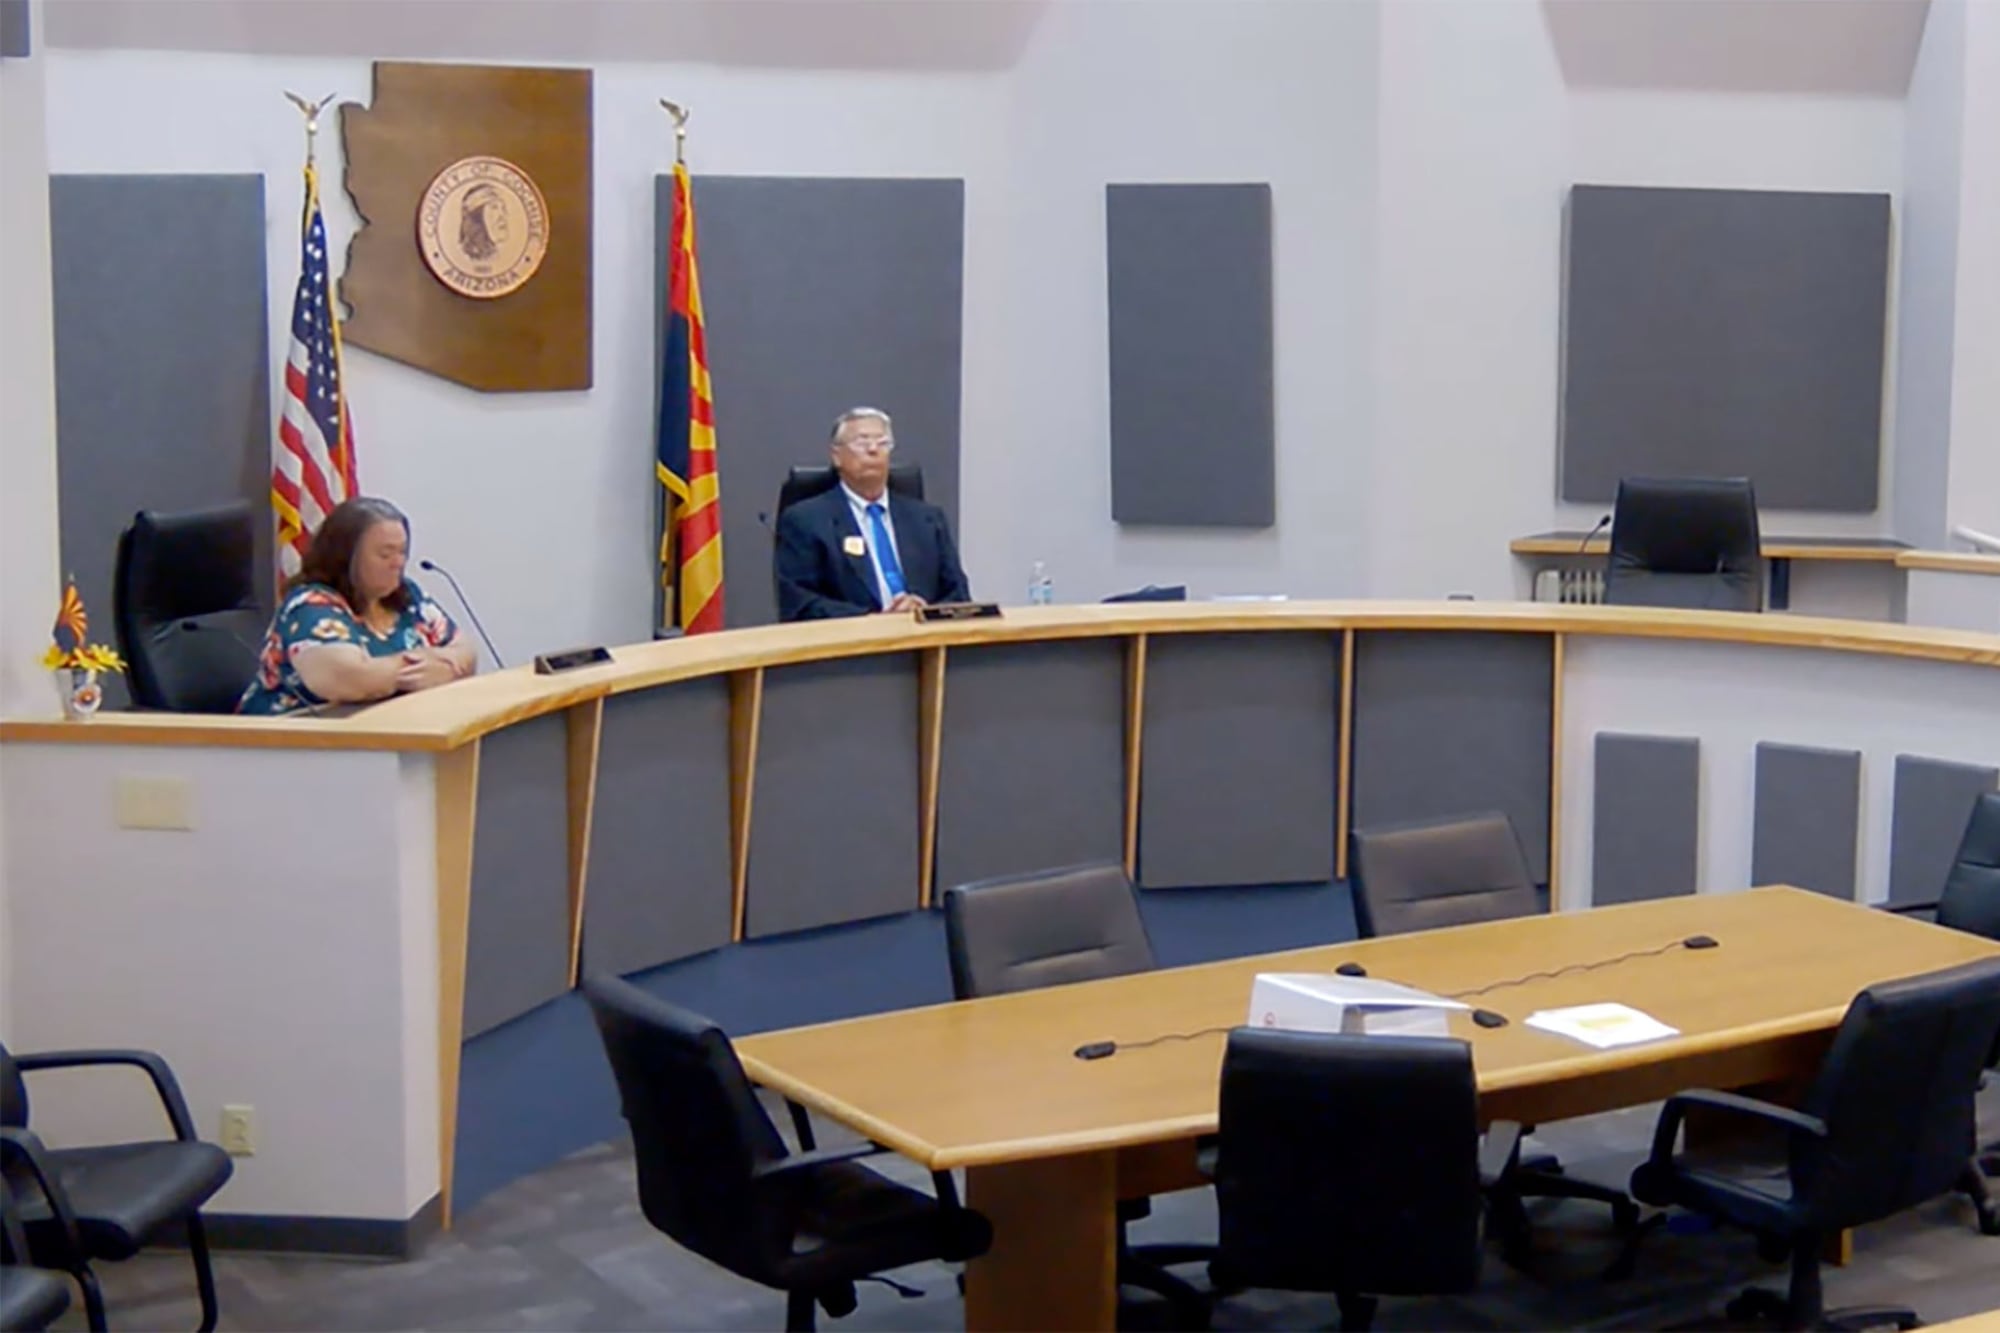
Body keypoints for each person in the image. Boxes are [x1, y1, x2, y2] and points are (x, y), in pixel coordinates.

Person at [238, 497, 477, 715]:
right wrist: (431, 664)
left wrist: (445, 668)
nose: (398, 563)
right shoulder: (311, 605)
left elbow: (465, 650)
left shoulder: (407, 595)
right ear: (346, 557)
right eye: (385, 554)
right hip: (282, 744)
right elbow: (349, 680)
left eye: (402, 552)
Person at [774, 406, 971, 620]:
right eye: (862, 442)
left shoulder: (927, 519)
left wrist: (924, 610)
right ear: (836, 456)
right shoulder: (806, 521)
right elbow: (799, 604)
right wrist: (874, 619)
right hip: (853, 644)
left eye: (883, 442)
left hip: (924, 640)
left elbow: (959, 594)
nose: (873, 450)